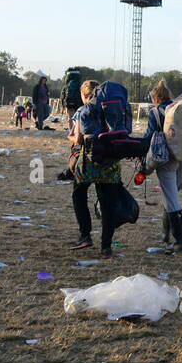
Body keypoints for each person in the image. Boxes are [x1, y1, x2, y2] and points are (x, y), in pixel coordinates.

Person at [68, 80, 122, 257]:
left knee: (79, 194)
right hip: (111, 160)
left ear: (84, 95)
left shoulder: (82, 111)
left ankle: (85, 235)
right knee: (108, 204)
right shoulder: (113, 109)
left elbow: (79, 139)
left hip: (89, 160)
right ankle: (106, 246)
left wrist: (69, 137)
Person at [144, 80, 182, 250]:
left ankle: (178, 242)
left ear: (155, 97)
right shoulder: (181, 109)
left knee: (171, 198)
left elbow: (149, 135)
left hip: (167, 159)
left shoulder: (155, 112)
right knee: (171, 195)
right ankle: (165, 236)